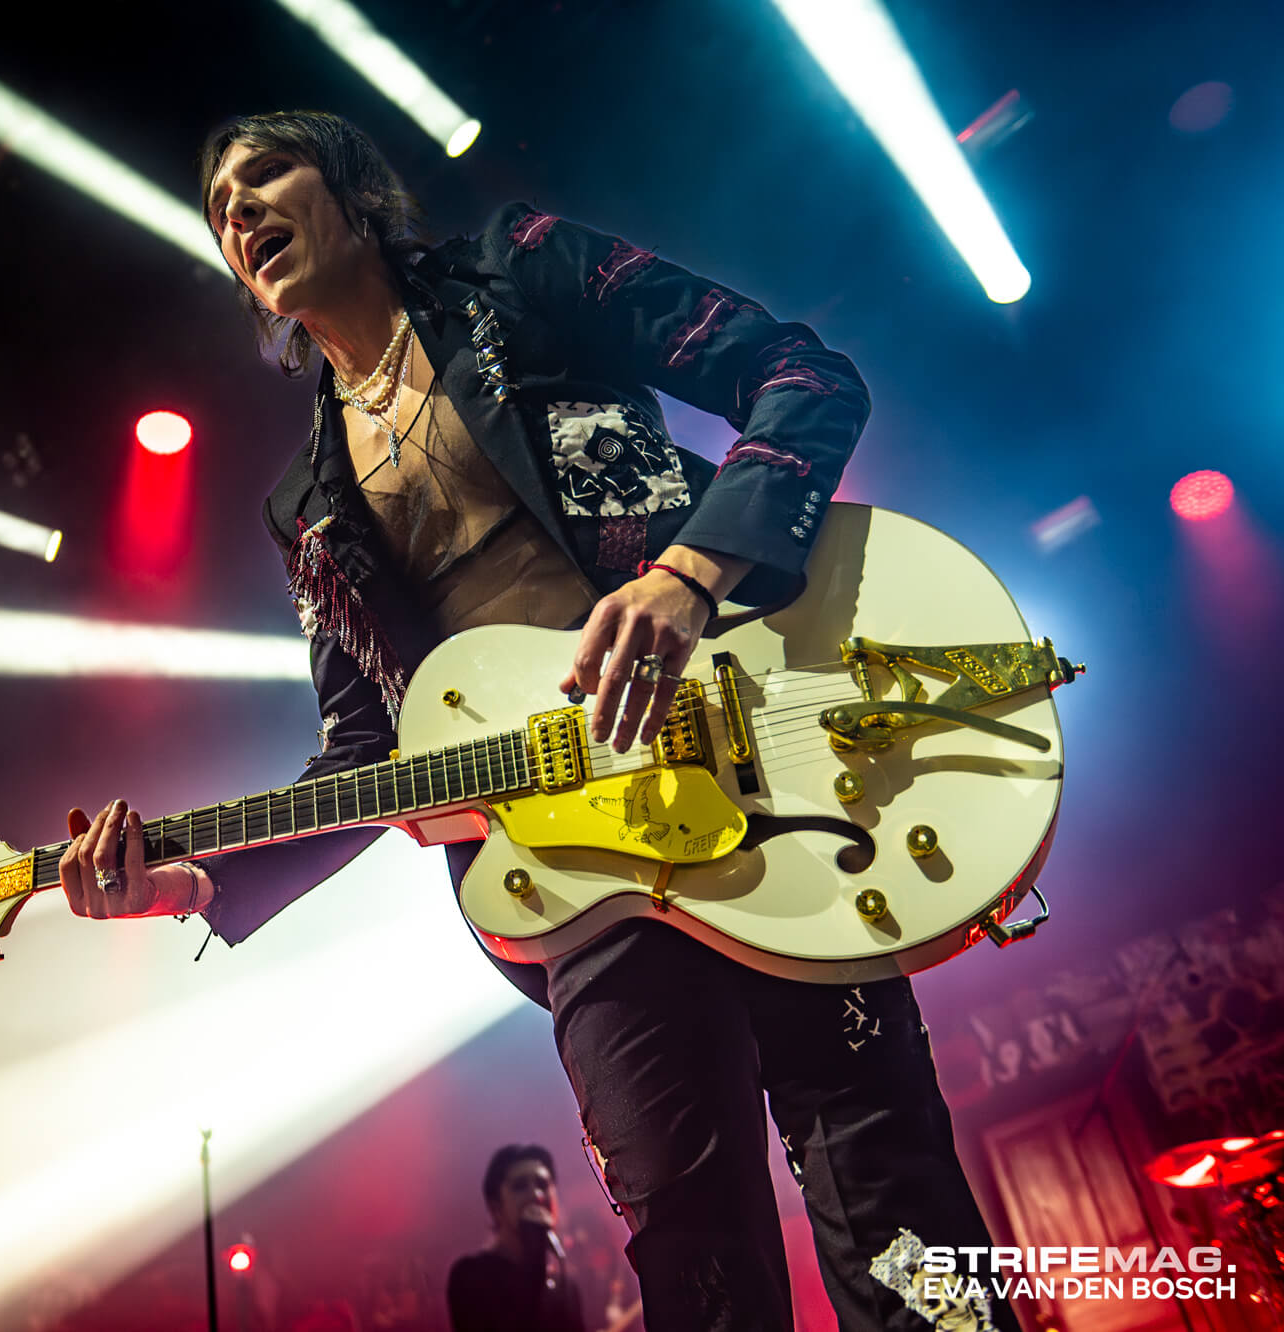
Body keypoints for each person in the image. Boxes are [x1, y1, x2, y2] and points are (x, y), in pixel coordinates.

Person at [56, 111, 1012, 1331]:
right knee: (690, 1253)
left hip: (764, 772)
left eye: (265, 175)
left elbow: (800, 377)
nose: (239, 210)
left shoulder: (519, 271)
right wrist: (187, 888)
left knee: (893, 1197)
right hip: (576, 875)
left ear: (348, 187)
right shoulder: (302, 507)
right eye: (220, 207)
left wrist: (686, 576)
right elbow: (367, 754)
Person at [446, 1144, 585, 1332]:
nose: (536, 1195)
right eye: (520, 1186)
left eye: (543, 1185)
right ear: (496, 1208)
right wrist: (533, 1254)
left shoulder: (566, 1287)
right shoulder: (470, 1277)